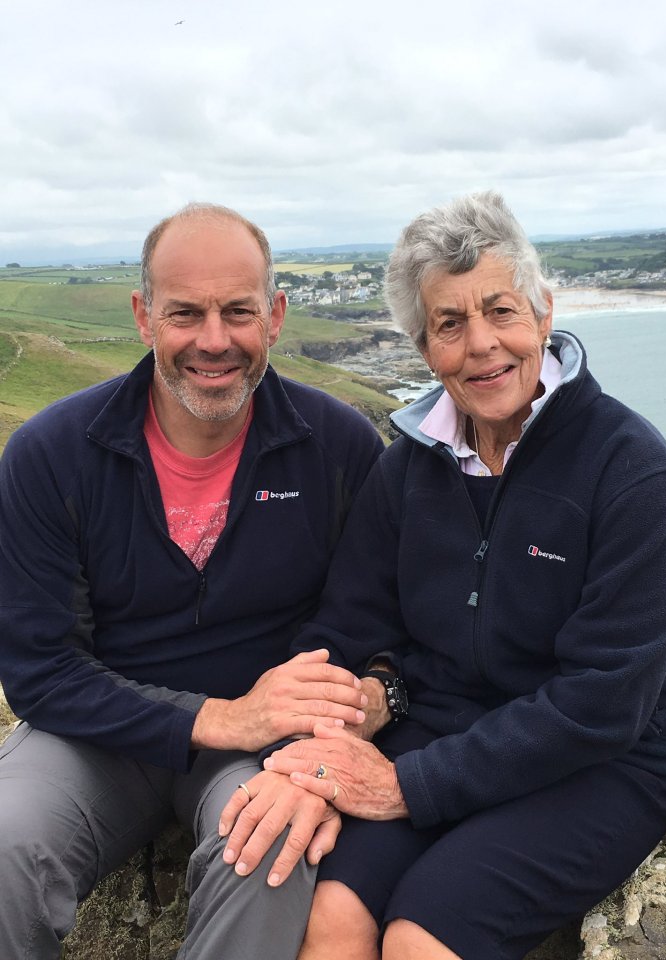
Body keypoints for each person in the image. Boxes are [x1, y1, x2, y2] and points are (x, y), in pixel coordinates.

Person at [219, 191, 666, 960]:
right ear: (424, 348)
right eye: (450, 323)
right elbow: (348, 623)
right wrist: (314, 746)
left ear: (544, 314)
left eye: (501, 311)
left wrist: (407, 787)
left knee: (420, 935)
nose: (481, 344)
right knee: (330, 917)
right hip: (434, 735)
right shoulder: (408, 466)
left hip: (596, 765)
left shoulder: (631, 472)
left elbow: (603, 702)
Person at [0, 202, 384, 960]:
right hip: (95, 735)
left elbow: (366, 624)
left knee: (267, 849)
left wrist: (297, 741)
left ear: (274, 315)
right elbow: (39, 671)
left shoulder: (341, 447)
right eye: (186, 313)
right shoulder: (50, 455)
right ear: (145, 317)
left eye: (238, 311)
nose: (214, 341)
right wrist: (217, 717)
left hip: (267, 747)